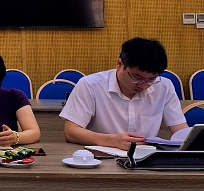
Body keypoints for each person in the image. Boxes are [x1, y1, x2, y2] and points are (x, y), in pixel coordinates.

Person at [60, 37, 188, 150]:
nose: (143, 85)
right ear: (119, 64)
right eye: (137, 78)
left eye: (151, 79)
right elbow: (71, 132)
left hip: (145, 158)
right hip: (101, 157)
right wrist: (113, 141)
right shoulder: (90, 85)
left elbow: (180, 129)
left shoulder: (164, 86)